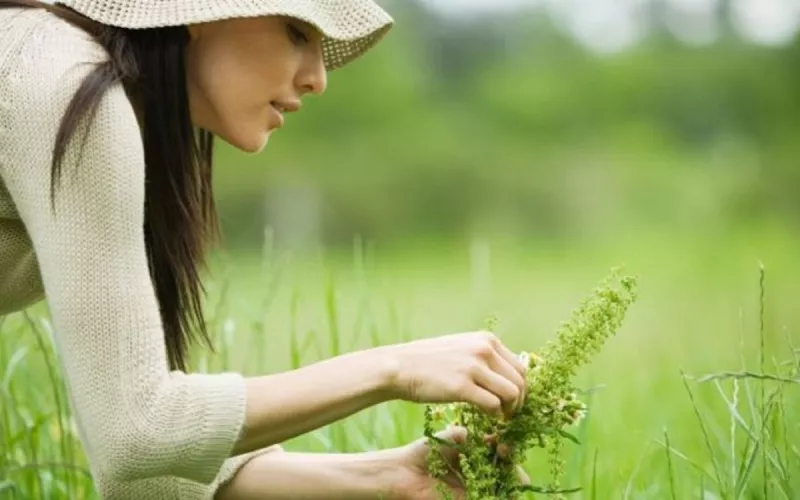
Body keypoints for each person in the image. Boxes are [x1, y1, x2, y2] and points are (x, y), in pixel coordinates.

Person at [0, 0, 531, 498]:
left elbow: (145, 476)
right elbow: (138, 431)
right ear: (200, 13)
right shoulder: (61, 82)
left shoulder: (107, 104)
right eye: (297, 32)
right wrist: (395, 368)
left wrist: (390, 477)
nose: (318, 78)